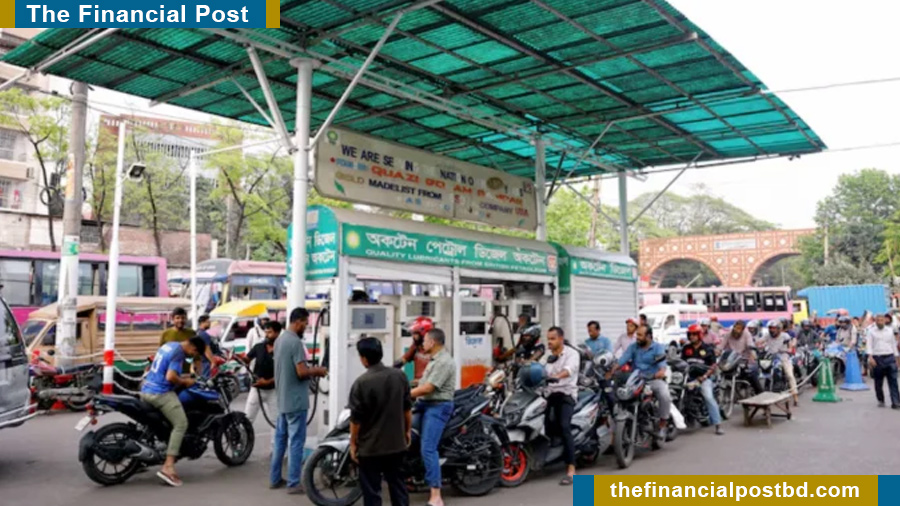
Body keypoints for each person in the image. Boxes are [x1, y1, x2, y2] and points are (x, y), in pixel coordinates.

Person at [349, 337, 412, 506]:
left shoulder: (361, 383)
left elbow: (356, 420)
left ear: (364, 358)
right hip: (396, 445)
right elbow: (407, 409)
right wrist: (407, 431)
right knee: (398, 488)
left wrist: (353, 444)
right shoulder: (400, 376)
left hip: (370, 448)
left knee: (372, 493)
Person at [271, 308, 328, 494]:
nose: (306, 326)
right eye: (305, 323)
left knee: (280, 441)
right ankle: (294, 483)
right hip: (296, 401)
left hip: (283, 399)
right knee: (296, 442)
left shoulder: (280, 340)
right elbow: (301, 372)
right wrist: (317, 371)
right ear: (297, 322)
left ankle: (275, 478)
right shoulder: (295, 342)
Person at [141, 336, 207, 487]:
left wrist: (184, 377)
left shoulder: (169, 345)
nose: (192, 357)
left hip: (146, 388)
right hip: (159, 393)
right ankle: (168, 467)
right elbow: (171, 377)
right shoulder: (179, 353)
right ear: (193, 348)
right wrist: (185, 381)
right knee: (181, 424)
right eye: (194, 354)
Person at [410, 328, 455, 506]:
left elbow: (428, 388)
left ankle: (436, 496)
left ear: (433, 342)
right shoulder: (434, 359)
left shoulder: (443, 361)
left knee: (428, 448)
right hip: (424, 404)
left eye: (425, 340)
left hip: (438, 406)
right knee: (408, 435)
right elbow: (423, 382)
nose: (423, 343)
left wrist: (404, 394)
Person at [615, 325, 671, 439]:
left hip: (653, 380)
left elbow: (662, 367)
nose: (637, 337)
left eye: (640, 335)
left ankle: (662, 425)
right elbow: (622, 360)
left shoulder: (658, 348)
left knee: (664, 394)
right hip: (636, 380)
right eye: (637, 334)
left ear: (649, 336)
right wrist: (611, 370)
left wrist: (660, 372)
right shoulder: (633, 347)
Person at [542, 326, 579, 485]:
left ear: (561, 339)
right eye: (548, 339)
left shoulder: (572, 354)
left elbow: (569, 370)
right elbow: (538, 368)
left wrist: (557, 376)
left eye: (553, 339)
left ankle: (571, 469)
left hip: (566, 394)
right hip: (549, 394)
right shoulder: (546, 356)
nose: (549, 342)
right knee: (541, 423)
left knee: (564, 427)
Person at [682, 324, 724, 435]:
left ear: (699, 335)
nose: (692, 337)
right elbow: (681, 362)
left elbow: (713, 366)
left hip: (704, 378)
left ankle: (718, 425)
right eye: (690, 334)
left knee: (708, 397)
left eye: (694, 334)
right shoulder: (686, 348)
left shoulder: (707, 349)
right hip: (688, 378)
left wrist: (704, 377)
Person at [242, 321, 280, 425]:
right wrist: (238, 358)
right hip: (256, 388)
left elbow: (284, 372)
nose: (266, 335)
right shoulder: (259, 347)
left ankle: (276, 437)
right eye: (265, 332)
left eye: (270, 332)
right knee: (247, 419)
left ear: (277, 333)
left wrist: (268, 382)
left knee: (277, 421)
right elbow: (247, 359)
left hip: (273, 390)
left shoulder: (282, 349)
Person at [866, 313, 900, 409]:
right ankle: (881, 399)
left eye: (881, 320)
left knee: (893, 381)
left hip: (890, 357)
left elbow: (893, 344)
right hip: (878, 358)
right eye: (878, 320)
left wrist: (897, 358)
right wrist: (870, 358)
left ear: (884, 321)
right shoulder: (871, 331)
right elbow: (869, 345)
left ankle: (895, 402)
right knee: (878, 381)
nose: (880, 322)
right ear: (875, 321)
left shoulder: (889, 331)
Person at [721, 320, 763, 394]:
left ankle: (759, 392)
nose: (736, 330)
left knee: (752, 372)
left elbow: (750, 344)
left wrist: (752, 351)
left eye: (739, 328)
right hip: (731, 360)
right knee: (723, 371)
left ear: (743, 329)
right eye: (735, 328)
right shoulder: (728, 334)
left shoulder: (747, 334)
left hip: (744, 359)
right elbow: (721, 345)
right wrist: (717, 351)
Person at [762, 320, 799, 405]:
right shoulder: (767, 335)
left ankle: (795, 395)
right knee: (763, 374)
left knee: (790, 375)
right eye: (770, 328)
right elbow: (759, 342)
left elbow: (790, 346)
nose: (772, 330)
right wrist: (757, 345)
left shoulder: (785, 336)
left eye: (774, 328)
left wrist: (788, 350)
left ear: (779, 329)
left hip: (783, 357)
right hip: (770, 358)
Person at [394, 317, 433, 384]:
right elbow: (402, 360)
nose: (413, 336)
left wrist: (419, 381)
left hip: (430, 386)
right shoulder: (416, 347)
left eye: (415, 334)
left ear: (424, 334)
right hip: (417, 385)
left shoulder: (435, 350)